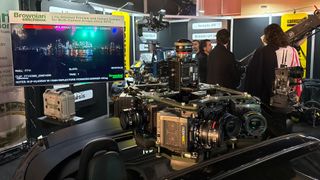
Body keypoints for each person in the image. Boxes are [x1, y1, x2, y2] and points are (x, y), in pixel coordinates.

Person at [244, 23, 295, 105]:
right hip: (277, 94)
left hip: (261, 96)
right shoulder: (289, 50)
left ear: (268, 36)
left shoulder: (263, 51)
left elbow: (253, 74)